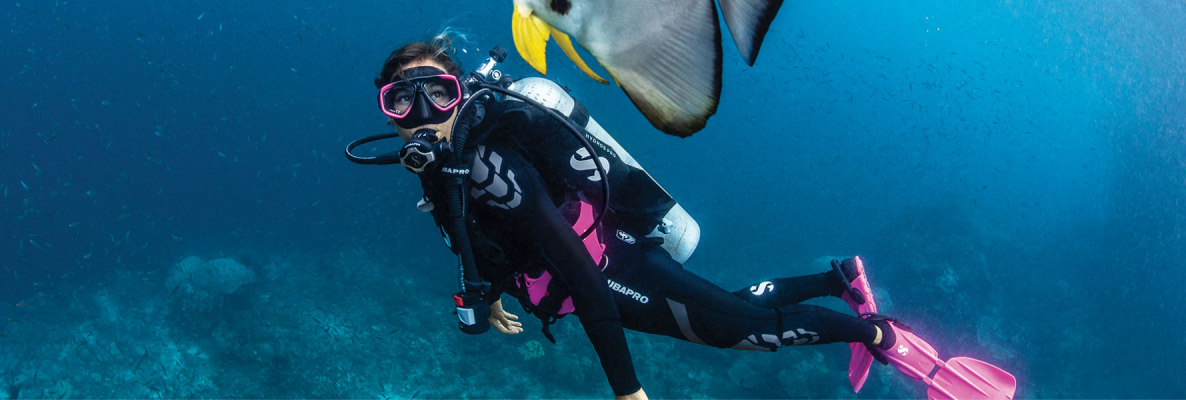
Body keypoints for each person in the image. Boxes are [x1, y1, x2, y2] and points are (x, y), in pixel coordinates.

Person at [359, 35, 1015, 400]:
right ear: (388, 113)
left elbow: (579, 274)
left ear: (461, 95)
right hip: (598, 271)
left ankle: (880, 336)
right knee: (733, 308)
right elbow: (480, 235)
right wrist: (496, 291)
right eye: (402, 101)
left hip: (612, 269)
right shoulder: (440, 168)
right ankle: (837, 278)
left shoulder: (489, 163)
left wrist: (627, 392)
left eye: (437, 92)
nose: (423, 114)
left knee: (745, 333)